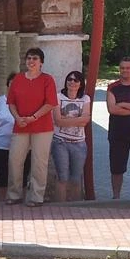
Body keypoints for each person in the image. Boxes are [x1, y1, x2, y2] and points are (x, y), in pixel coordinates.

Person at [6, 47, 57, 206]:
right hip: (20, 125)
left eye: (35, 58)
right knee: (14, 160)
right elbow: (11, 102)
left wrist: (33, 117)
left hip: (42, 127)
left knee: (39, 163)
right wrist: (17, 117)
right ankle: (14, 194)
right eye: (29, 58)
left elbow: (50, 103)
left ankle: (36, 196)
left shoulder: (47, 79)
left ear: (41, 62)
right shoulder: (18, 79)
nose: (31, 61)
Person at [106, 57, 130, 199]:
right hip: (117, 134)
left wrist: (122, 104)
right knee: (116, 169)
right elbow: (112, 109)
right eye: (122, 68)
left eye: (128, 68)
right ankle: (116, 197)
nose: (125, 70)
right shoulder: (112, 87)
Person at [51, 70, 91, 202]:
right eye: (69, 79)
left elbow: (85, 121)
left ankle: (76, 208)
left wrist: (66, 119)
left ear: (81, 84)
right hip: (60, 142)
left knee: (76, 179)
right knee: (62, 177)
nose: (72, 82)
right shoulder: (58, 97)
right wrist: (78, 120)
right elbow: (57, 120)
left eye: (75, 80)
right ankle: (60, 208)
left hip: (79, 143)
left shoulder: (85, 99)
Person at [0, 73, 26, 202]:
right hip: (1, 145)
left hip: (23, 145)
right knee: (2, 176)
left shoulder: (26, 101)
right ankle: (2, 202)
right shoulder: (0, 101)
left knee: (22, 175)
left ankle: (20, 201)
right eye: (11, 83)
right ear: (8, 85)